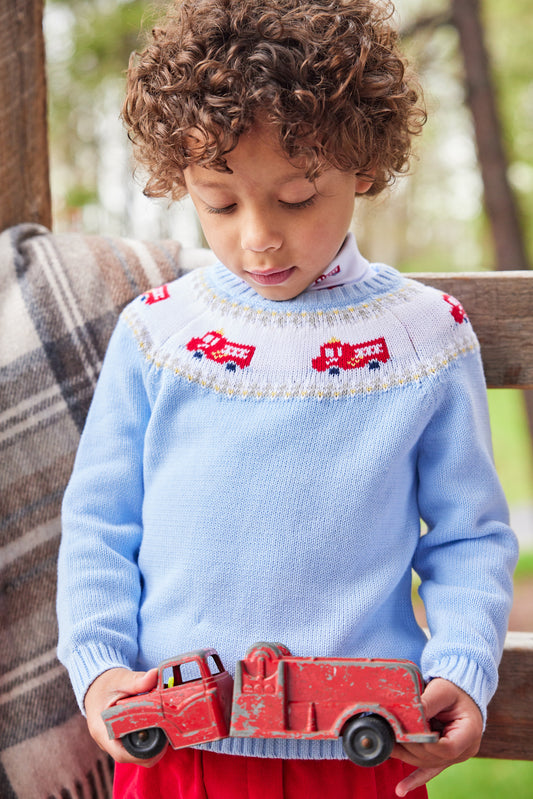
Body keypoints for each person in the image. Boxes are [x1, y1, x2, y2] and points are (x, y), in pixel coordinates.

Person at [56, 1, 518, 797]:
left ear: (362, 166)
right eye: (219, 202)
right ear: (181, 181)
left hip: (356, 750)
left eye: (298, 197)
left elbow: (468, 536)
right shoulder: (158, 333)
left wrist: (463, 669)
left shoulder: (424, 336)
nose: (258, 237)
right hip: (178, 747)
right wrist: (98, 673)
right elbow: (100, 525)